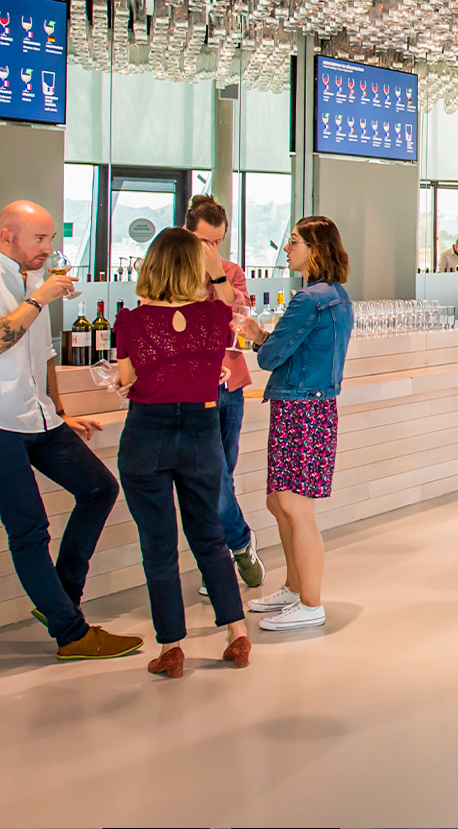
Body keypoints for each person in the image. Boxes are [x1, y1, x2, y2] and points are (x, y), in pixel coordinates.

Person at [0, 201, 143, 661]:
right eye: (39, 240)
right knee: (29, 529)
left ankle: (59, 599)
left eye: (51, 240)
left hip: (37, 416)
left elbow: (42, 357)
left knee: (100, 488)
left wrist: (59, 411)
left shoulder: (31, 283)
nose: (50, 249)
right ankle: (71, 633)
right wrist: (42, 297)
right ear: (7, 236)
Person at [114, 228, 251, 677]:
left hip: (146, 434)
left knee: (159, 546)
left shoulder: (130, 322)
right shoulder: (214, 317)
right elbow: (235, 303)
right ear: (196, 269)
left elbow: (125, 380)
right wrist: (215, 270)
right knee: (209, 536)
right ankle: (237, 634)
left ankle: (172, 647)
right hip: (201, 430)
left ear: (149, 268)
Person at [232, 217, 354, 632]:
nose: (288, 248)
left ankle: (311, 602)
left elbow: (269, 359)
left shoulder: (308, 299)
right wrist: (262, 335)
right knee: (280, 502)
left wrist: (255, 338)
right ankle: (294, 584)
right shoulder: (337, 296)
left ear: (315, 249)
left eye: (295, 241)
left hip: (300, 409)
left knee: (296, 506)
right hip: (313, 407)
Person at [184, 194, 265, 594]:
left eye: (218, 241)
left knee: (222, 475)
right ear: (187, 234)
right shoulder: (170, 270)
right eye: (204, 241)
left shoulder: (231, 272)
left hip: (228, 385)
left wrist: (216, 275)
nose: (211, 249)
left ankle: (213, 565)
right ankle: (237, 543)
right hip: (188, 389)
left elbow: (235, 320)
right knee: (209, 475)